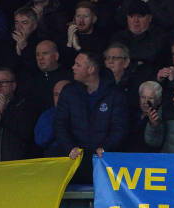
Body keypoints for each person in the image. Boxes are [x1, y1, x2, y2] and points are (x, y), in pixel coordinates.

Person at [52, 51, 127, 183]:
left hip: (105, 163)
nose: (73, 67)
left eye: (78, 65)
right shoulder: (69, 92)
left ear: (91, 69)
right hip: (74, 162)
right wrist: (70, 147)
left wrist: (105, 148)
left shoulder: (114, 94)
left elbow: (120, 128)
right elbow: (60, 125)